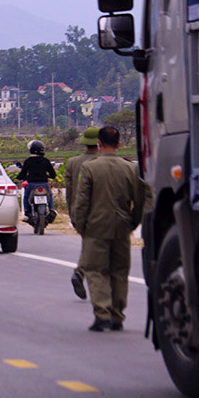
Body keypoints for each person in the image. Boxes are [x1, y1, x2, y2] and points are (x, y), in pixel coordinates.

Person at [72, 126, 145, 332]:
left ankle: (102, 313)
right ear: (119, 144)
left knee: (96, 270)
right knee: (120, 271)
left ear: (99, 144)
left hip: (95, 227)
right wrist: (134, 222)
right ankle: (117, 314)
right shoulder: (130, 169)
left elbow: (82, 201)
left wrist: (80, 224)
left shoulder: (91, 168)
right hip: (122, 226)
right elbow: (139, 200)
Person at [64, 126, 101, 300]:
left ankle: (80, 274)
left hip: (80, 211)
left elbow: (69, 191)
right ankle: (81, 274)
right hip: (101, 211)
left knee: (90, 245)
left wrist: (72, 214)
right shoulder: (105, 161)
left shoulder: (73, 162)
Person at [16, 140, 56, 221]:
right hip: (44, 183)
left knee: (26, 197)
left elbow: (22, 174)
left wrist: (18, 178)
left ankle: (27, 213)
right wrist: (48, 176)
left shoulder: (28, 161)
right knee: (50, 195)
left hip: (31, 184)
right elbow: (53, 174)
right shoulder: (46, 161)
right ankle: (51, 210)